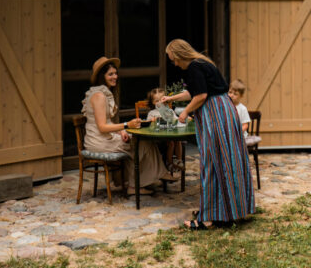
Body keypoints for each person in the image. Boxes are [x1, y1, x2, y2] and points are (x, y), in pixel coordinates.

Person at [162, 39, 254, 229]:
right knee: (226, 160)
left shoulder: (194, 67)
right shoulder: (202, 63)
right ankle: (225, 210)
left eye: (174, 60)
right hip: (223, 111)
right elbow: (195, 91)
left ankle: (209, 218)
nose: (175, 64)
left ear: (179, 55)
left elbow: (201, 96)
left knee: (212, 162)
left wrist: (186, 111)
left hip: (215, 114)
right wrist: (171, 98)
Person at [82, 56, 177, 197]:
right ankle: (138, 183)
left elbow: (106, 122)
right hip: (98, 142)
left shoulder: (102, 94)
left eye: (115, 73)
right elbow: (102, 127)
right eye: (110, 74)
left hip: (105, 138)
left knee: (140, 140)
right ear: (102, 76)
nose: (115, 76)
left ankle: (150, 177)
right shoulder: (98, 96)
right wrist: (127, 125)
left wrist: (121, 131)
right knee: (140, 143)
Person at [145, 87, 182, 172]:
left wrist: (182, 118)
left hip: (170, 134)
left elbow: (176, 119)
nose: (160, 102)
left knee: (178, 140)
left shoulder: (169, 111)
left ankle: (179, 161)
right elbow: (148, 125)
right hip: (159, 138)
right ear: (152, 102)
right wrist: (152, 121)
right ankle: (169, 163)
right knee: (171, 142)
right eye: (157, 101)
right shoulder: (152, 113)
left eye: (162, 99)